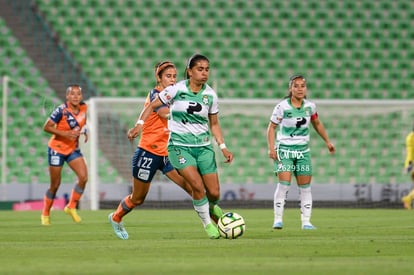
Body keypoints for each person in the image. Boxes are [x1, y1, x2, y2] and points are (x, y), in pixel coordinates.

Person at [126, 54, 234, 239]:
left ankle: (211, 206)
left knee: (214, 193)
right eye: (200, 69)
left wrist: (222, 146)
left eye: (207, 69)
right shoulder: (176, 90)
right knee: (197, 186)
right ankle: (207, 224)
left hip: (204, 148)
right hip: (179, 146)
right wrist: (139, 125)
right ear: (190, 71)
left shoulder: (210, 95)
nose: (204, 73)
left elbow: (214, 124)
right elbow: (153, 105)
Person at [108, 61, 193, 240]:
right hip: (148, 153)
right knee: (138, 199)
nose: (172, 80)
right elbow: (163, 113)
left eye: (174, 76)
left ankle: (217, 222)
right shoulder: (156, 94)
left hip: (167, 154)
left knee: (191, 187)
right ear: (159, 78)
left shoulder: (175, 95)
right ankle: (116, 217)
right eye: (168, 76)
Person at [267, 75, 335, 230]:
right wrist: (271, 148)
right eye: (296, 86)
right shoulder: (282, 107)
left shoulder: (310, 107)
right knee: (284, 185)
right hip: (284, 151)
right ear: (290, 88)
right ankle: (278, 219)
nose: (299, 89)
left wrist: (327, 141)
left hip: (303, 152)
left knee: (305, 187)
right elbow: (271, 127)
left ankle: (306, 222)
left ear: (306, 89)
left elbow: (317, 123)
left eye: (302, 86)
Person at [41, 84, 88, 225]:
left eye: (78, 94)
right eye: (72, 94)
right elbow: (46, 127)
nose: (75, 96)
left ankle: (71, 206)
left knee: (83, 177)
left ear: (81, 96)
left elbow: (81, 122)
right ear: (67, 96)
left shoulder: (84, 107)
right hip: (57, 149)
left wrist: (85, 131)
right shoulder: (61, 110)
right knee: (55, 185)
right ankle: (45, 213)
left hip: (72, 149)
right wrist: (66, 134)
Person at [401, 127, 414, 209]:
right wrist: (410, 164)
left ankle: (408, 199)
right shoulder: (412, 138)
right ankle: (408, 198)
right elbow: (411, 152)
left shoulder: (409, 136)